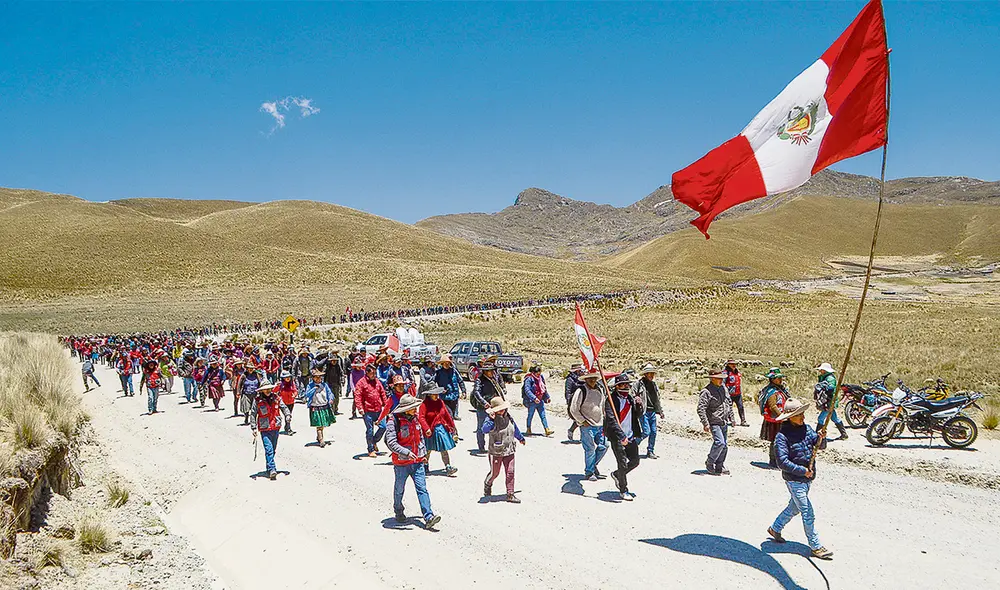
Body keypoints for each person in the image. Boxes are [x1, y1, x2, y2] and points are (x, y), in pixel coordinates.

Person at [767, 398, 833, 560]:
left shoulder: (807, 429)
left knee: (794, 508)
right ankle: (816, 546)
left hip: (807, 479)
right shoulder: (782, 437)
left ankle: (775, 528)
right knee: (807, 511)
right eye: (799, 415)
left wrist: (821, 437)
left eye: (802, 413)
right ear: (790, 417)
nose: (803, 417)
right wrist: (803, 471)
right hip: (794, 480)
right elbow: (782, 462)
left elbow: (820, 446)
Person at [384, 394, 441, 529]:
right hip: (401, 464)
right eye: (412, 407)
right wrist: (406, 453)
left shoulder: (415, 419)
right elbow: (391, 442)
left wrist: (423, 454)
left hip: (417, 462)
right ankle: (398, 511)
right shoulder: (393, 421)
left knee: (422, 489)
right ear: (405, 409)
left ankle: (428, 516)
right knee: (399, 489)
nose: (415, 409)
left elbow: (420, 438)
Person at [605, 373, 643, 500]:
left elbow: (637, 415)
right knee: (622, 463)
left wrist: (639, 405)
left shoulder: (629, 399)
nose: (626, 387)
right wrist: (621, 436)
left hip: (630, 435)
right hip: (617, 436)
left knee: (635, 461)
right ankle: (623, 489)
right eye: (622, 385)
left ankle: (617, 475)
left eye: (627, 384)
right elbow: (611, 420)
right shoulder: (611, 400)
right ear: (617, 386)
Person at [482, 395, 526, 503]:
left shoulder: (508, 417)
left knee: (510, 472)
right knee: (495, 473)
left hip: (509, 449)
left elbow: (514, 428)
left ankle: (510, 494)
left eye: (503, 408)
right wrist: (491, 420)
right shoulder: (490, 420)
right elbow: (484, 430)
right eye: (499, 409)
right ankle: (488, 483)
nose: (502, 411)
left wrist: (520, 438)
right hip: (496, 452)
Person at [569, 371, 608, 481]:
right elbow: (574, 409)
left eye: (594, 378)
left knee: (604, 445)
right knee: (590, 449)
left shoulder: (600, 389)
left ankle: (592, 465)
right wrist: (582, 421)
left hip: (600, 424)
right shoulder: (581, 391)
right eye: (590, 378)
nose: (592, 380)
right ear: (585, 379)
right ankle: (589, 472)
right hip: (587, 425)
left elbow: (602, 405)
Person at [697, 368, 734, 475]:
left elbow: (729, 403)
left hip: (724, 421)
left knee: (724, 446)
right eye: (718, 378)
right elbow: (701, 408)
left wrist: (732, 417)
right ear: (712, 379)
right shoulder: (706, 392)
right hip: (714, 422)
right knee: (719, 443)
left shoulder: (724, 388)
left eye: (722, 378)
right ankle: (710, 462)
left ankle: (719, 466)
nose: (721, 380)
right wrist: (705, 423)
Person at [251, 380, 287, 481]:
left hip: (275, 427)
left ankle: (268, 466)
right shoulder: (257, 401)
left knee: (273, 449)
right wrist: (253, 427)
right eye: (265, 389)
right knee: (269, 449)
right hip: (265, 429)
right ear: (261, 390)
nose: (267, 391)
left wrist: (288, 415)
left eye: (269, 389)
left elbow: (284, 407)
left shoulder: (276, 398)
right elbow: (253, 414)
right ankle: (272, 469)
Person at [420, 386, 458, 475]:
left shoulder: (440, 402)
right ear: (429, 394)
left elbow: (447, 415)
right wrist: (426, 428)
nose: (437, 396)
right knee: (428, 449)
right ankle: (425, 466)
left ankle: (448, 466)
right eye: (434, 394)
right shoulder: (424, 404)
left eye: (437, 394)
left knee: (444, 448)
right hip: (429, 430)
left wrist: (453, 427)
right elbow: (421, 418)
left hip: (441, 429)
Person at [470, 360, 506, 454]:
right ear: (485, 371)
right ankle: (481, 446)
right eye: (490, 370)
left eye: (493, 370)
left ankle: (496, 445)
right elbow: (476, 392)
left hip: (495, 407)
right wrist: (484, 403)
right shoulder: (479, 380)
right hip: (483, 408)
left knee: (496, 426)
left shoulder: (494, 379)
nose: (492, 372)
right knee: (481, 427)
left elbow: (499, 389)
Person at [355, 363, 389, 457]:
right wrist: (360, 408)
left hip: (378, 409)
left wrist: (386, 406)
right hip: (367, 411)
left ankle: (374, 441)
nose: (374, 375)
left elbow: (382, 393)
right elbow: (357, 396)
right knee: (370, 430)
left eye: (375, 373)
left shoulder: (377, 381)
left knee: (383, 427)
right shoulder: (361, 383)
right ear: (367, 373)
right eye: (372, 373)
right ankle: (370, 449)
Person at [759, 368, 790, 468]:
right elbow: (773, 406)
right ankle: (774, 461)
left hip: (781, 418)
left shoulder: (780, 390)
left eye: (780, 378)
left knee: (780, 440)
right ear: (772, 379)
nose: (780, 380)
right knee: (776, 440)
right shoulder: (771, 392)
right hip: (775, 420)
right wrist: (781, 416)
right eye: (778, 378)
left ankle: (779, 460)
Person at [631, 364, 664, 459]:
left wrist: (660, 411)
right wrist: (636, 398)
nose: (651, 375)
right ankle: (632, 446)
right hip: (643, 411)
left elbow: (657, 399)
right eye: (649, 373)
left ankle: (650, 451)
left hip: (652, 411)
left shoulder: (654, 385)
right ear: (645, 374)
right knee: (646, 431)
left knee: (654, 432)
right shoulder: (638, 384)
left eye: (652, 373)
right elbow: (632, 394)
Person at [814, 362, 848, 444]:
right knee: (834, 418)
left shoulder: (830, 378)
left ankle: (817, 436)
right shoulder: (825, 377)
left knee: (820, 418)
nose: (820, 371)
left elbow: (831, 388)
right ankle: (844, 434)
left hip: (829, 401)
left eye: (822, 370)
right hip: (829, 400)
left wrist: (823, 386)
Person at [304, 369, 335, 447]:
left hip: (324, 406)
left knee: (323, 423)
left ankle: (319, 436)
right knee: (319, 425)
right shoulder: (310, 386)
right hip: (315, 407)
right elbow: (307, 394)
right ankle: (321, 440)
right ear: (313, 378)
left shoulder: (325, 385)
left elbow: (330, 393)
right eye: (316, 377)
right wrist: (314, 388)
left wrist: (330, 399)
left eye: (319, 377)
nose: (318, 378)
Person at [522, 364, 553, 436]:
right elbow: (527, 390)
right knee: (530, 415)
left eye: (540, 373)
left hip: (540, 400)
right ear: (533, 372)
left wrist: (547, 397)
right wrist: (534, 398)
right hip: (532, 401)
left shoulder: (541, 378)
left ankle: (547, 429)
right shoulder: (529, 379)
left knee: (543, 415)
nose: (539, 375)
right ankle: (528, 429)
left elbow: (544, 388)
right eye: (538, 374)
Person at [435, 354, 466, 422]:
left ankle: (452, 423)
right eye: (445, 363)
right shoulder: (438, 372)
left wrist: (463, 391)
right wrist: (439, 390)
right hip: (444, 397)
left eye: (448, 363)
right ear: (442, 364)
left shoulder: (454, 371)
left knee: (452, 414)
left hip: (454, 395)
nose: (447, 364)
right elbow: (433, 383)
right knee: (449, 414)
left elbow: (460, 381)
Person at [725, 359, 750, 427]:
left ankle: (743, 421)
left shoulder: (737, 372)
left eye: (735, 364)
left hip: (738, 393)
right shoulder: (725, 373)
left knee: (741, 407)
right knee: (729, 408)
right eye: (732, 364)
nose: (734, 365)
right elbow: (723, 383)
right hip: (729, 394)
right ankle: (731, 421)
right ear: (728, 364)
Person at [564, 363, 585, 441]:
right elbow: (567, 392)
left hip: (583, 401)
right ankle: (572, 431)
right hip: (574, 402)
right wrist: (569, 403)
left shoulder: (582, 379)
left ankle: (582, 436)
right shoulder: (570, 380)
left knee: (583, 418)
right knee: (578, 418)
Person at [274, 370, 298, 435]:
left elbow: (295, 390)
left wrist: (294, 395)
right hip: (283, 403)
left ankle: (287, 427)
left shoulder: (292, 384)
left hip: (291, 402)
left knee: (288, 415)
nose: (288, 378)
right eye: (286, 377)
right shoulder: (280, 384)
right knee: (286, 415)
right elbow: (274, 391)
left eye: (289, 377)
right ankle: (288, 428)